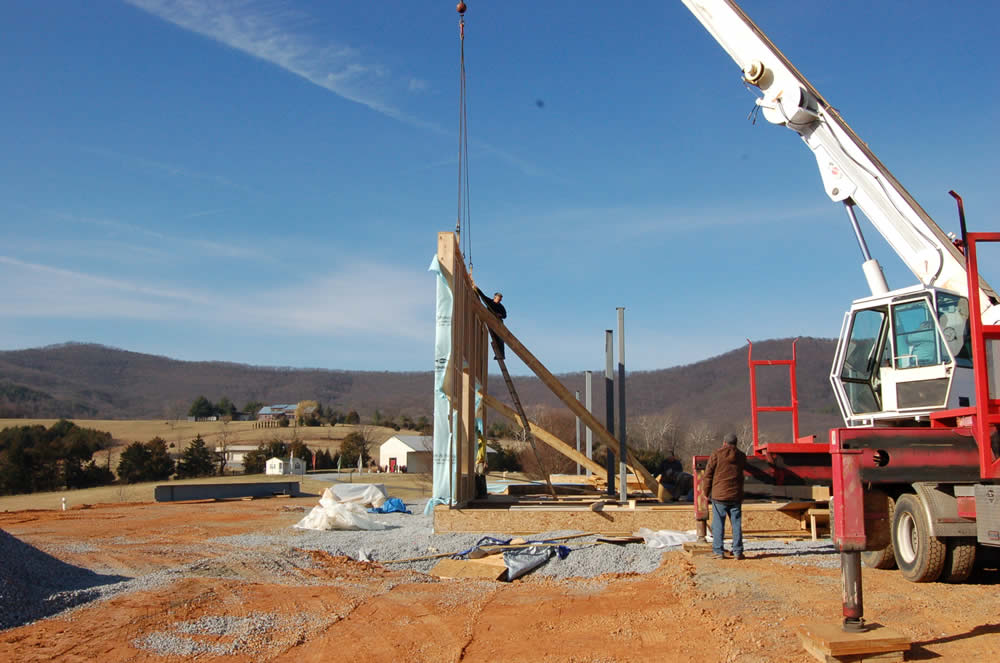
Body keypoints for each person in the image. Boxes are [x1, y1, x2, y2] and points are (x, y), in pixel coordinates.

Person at [702, 433, 747, 559]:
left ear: (724, 443)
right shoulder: (741, 456)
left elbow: (708, 475)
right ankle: (738, 551)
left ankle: (718, 551)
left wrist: (705, 493)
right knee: (736, 524)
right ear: (736, 443)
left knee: (718, 524)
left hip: (719, 496)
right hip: (736, 495)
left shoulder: (716, 454)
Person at [474, 285, 507, 359]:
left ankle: (501, 354)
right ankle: (498, 354)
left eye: (500, 299)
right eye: (498, 298)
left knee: (500, 339)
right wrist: (476, 288)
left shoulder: (501, 307)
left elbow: (505, 315)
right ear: (495, 297)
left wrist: (500, 315)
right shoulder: (489, 302)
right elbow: (482, 296)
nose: (499, 300)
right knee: (495, 338)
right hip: (491, 322)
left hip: (498, 323)